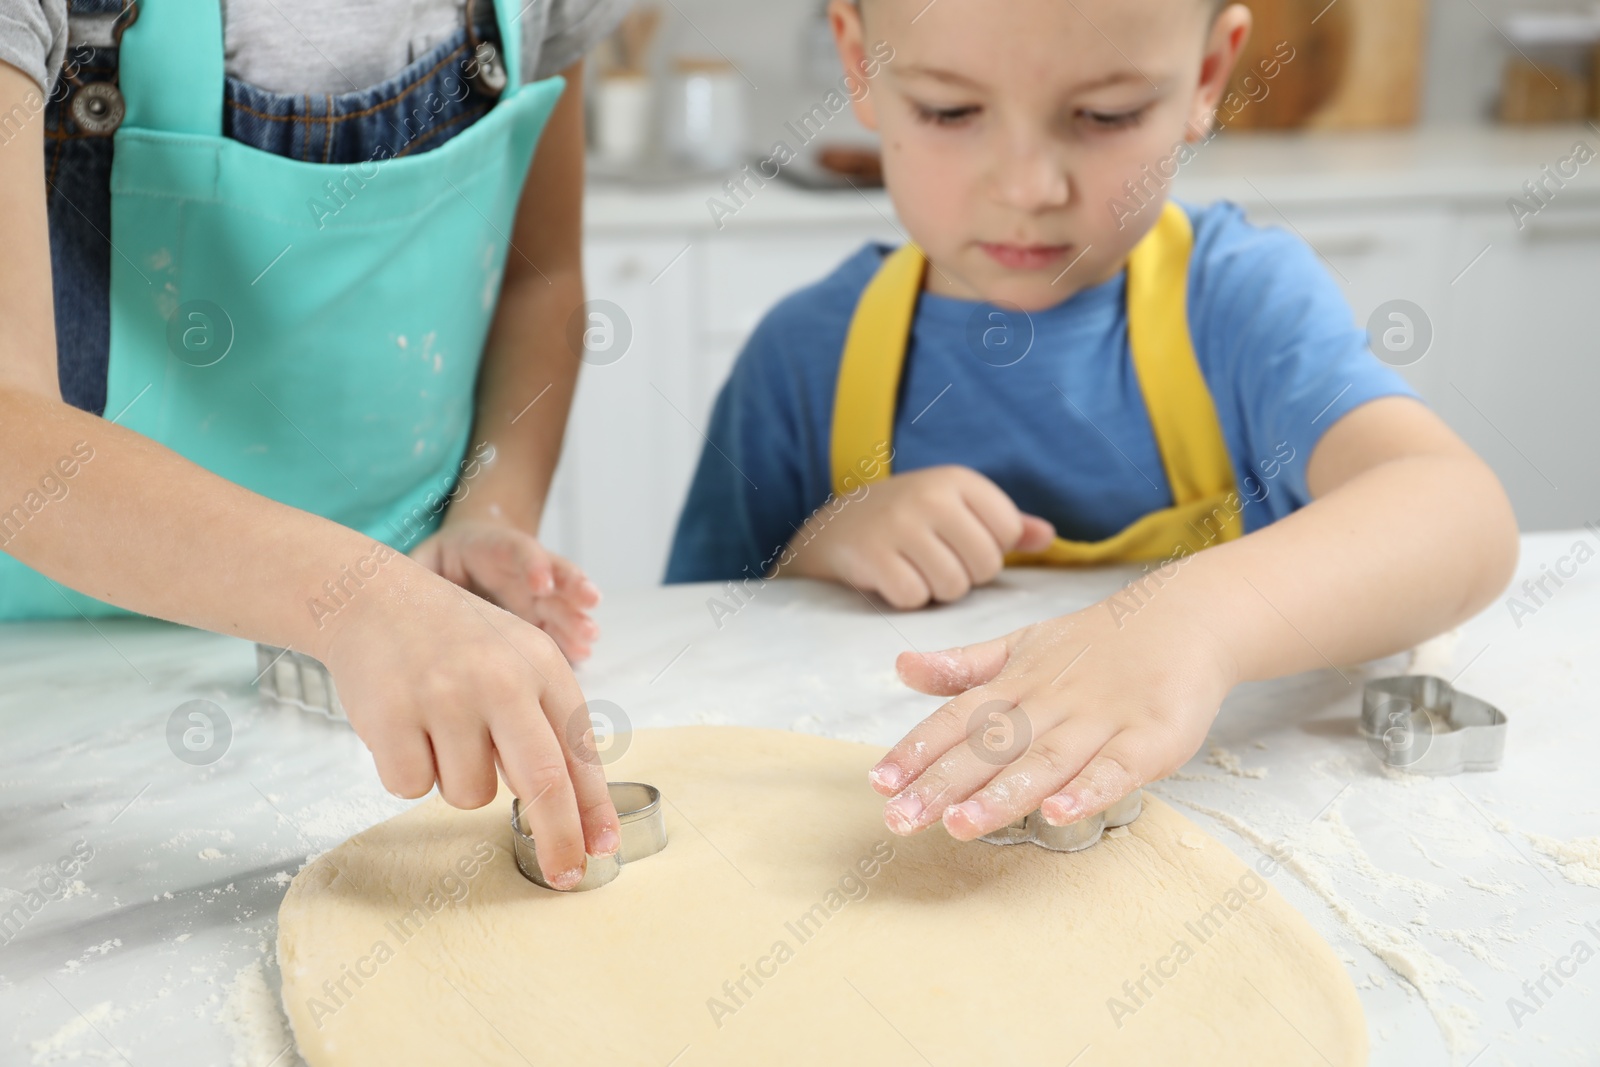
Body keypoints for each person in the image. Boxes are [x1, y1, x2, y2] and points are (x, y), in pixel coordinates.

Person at [666, 0, 1519, 842]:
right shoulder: (801, 361)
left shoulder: (1238, 308)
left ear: (1207, 76)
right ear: (859, 65)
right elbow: (691, 654)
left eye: (1106, 114)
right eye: (950, 110)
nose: (1030, 186)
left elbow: (1459, 515)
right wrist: (823, 542)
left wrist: (1191, 625)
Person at [0, 0, 631, 890]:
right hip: (47, 696)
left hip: (390, 688)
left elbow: (544, 280)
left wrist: (489, 511)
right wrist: (353, 597)